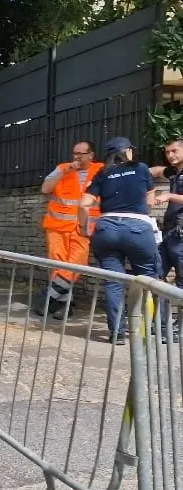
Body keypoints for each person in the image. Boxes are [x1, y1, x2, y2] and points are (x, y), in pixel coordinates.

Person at [79, 137, 165, 344]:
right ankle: (153, 329)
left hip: (106, 228)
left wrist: (84, 228)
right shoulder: (141, 168)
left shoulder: (102, 173)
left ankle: (117, 333)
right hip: (137, 227)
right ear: (127, 151)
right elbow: (150, 200)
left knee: (114, 282)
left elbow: (83, 205)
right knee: (151, 280)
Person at [35, 141, 104, 319]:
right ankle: (64, 306)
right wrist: (66, 171)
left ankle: (49, 297)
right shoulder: (62, 168)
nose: (77, 157)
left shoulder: (100, 169)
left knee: (76, 264)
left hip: (83, 228)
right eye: (75, 153)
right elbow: (45, 188)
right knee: (57, 265)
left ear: (91, 155)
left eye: (81, 153)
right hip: (57, 227)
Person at [150, 138, 183, 341]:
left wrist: (169, 196)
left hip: (182, 235)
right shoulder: (174, 171)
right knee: (155, 274)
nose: (170, 155)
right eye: (167, 152)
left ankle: (180, 327)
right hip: (169, 233)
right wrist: (134, 169)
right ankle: (161, 324)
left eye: (174, 151)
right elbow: (155, 171)